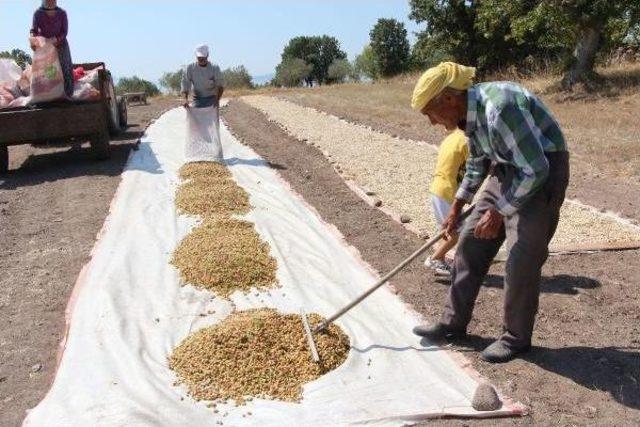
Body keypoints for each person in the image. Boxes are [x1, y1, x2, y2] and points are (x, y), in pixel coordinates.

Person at [410, 62, 570, 363]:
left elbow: (535, 169)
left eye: (430, 112)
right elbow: (478, 161)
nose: (432, 121)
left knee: (522, 256)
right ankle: (452, 323)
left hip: (543, 168)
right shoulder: (469, 116)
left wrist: (499, 211)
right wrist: (458, 205)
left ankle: (515, 338)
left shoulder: (500, 108)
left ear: (448, 98)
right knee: (470, 239)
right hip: (508, 167)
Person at [424, 129, 468, 276]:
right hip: (447, 192)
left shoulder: (453, 137)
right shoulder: (467, 140)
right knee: (455, 233)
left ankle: (440, 261)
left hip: (439, 188)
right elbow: (477, 166)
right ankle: (434, 258)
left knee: (445, 231)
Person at [30, 0, 73, 97]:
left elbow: (64, 32)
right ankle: (50, 95)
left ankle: (66, 95)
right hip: (45, 47)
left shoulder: (62, 13)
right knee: (49, 72)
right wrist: (33, 39)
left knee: (64, 70)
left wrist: (55, 40)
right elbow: (34, 30)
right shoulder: (38, 13)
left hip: (60, 46)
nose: (51, 2)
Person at [181, 44, 225, 109]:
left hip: (212, 98)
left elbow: (220, 86)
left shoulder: (215, 68)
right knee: (195, 118)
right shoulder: (190, 68)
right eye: (199, 57)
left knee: (212, 118)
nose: (201, 59)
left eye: (203, 57)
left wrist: (217, 100)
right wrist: (185, 99)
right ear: (196, 55)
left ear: (207, 55)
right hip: (197, 99)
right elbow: (185, 85)